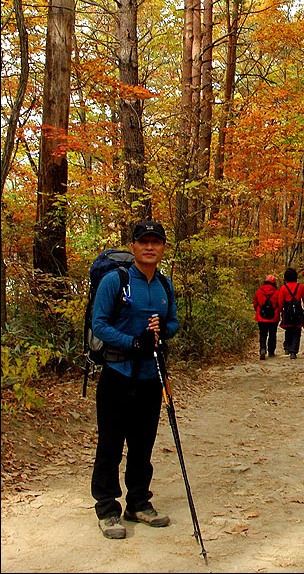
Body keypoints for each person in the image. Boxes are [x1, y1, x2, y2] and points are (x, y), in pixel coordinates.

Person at [90, 220, 179, 540]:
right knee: (111, 443)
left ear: (163, 248)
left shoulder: (164, 285)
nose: (150, 247)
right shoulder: (116, 281)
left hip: (150, 376)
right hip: (117, 373)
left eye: (156, 241)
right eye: (144, 242)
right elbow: (99, 324)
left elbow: (174, 322)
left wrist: (163, 331)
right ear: (133, 246)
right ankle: (107, 508)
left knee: (143, 443)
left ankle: (138, 502)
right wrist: (132, 342)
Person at [278, 267, 304, 359]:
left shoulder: (283, 288)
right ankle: (293, 351)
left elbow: (280, 301)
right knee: (297, 331)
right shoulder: (300, 286)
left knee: (288, 330)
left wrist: (280, 311)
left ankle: (287, 347)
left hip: (287, 312)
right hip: (297, 312)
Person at [253, 274, 280, 359]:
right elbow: (280, 304)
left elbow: (255, 304)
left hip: (261, 317)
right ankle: (271, 352)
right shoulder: (277, 292)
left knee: (263, 335)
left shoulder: (259, 291)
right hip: (273, 318)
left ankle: (262, 349)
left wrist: (257, 310)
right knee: (272, 334)